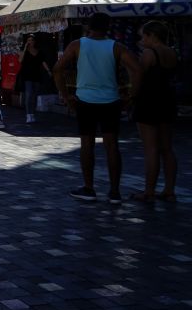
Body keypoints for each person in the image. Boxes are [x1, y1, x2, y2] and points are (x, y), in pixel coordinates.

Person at [54, 12, 141, 204]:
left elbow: (58, 69)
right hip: (110, 100)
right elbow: (136, 69)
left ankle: (89, 187)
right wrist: (131, 96)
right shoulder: (116, 47)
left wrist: (66, 95)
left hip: (85, 100)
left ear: (88, 26)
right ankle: (114, 192)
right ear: (108, 27)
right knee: (112, 145)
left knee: (87, 144)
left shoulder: (77, 45)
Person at [130, 20, 178, 203]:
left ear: (152, 36)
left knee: (150, 148)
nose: (142, 40)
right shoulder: (172, 52)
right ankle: (169, 190)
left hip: (149, 102)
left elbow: (138, 76)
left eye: (144, 36)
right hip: (167, 101)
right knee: (167, 148)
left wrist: (131, 97)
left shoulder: (149, 53)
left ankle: (149, 191)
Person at [18, 35, 51, 123]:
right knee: (28, 95)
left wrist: (48, 71)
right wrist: (25, 48)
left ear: (34, 41)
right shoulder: (25, 51)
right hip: (27, 76)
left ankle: (32, 114)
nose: (30, 42)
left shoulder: (39, 52)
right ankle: (28, 115)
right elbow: (20, 60)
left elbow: (43, 61)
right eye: (28, 40)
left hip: (36, 75)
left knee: (35, 95)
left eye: (32, 40)